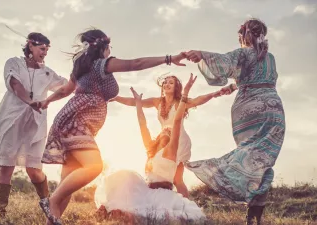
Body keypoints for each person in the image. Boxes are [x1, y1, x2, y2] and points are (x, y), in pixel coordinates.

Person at [37, 28, 187, 224]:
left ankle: (52, 216)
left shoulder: (82, 66)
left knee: (68, 183)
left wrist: (48, 101)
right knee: (94, 166)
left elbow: (66, 90)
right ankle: (51, 201)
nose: (110, 50)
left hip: (72, 120)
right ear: (104, 47)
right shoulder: (102, 64)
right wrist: (169, 58)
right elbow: (136, 64)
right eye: (109, 47)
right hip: (77, 121)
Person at [183, 18, 286, 225]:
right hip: (273, 109)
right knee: (264, 161)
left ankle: (216, 171)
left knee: (247, 155)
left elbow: (224, 64)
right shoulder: (270, 57)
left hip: (248, 109)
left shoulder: (243, 53)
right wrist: (233, 87)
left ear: (243, 36)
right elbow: (258, 79)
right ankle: (255, 216)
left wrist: (201, 54)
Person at [94, 74, 205, 221]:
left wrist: (186, 92)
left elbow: (177, 120)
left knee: (159, 211)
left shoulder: (171, 152)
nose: (166, 129)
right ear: (158, 136)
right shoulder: (151, 150)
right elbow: (142, 123)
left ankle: (122, 214)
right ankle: (111, 211)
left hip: (163, 195)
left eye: (169, 131)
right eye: (165, 129)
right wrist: (138, 103)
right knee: (124, 177)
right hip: (147, 192)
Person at [0, 32, 68, 216]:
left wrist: (83, 75)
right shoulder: (14, 63)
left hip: (35, 126)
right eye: (42, 48)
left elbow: (68, 87)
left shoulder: (48, 73)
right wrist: (29, 102)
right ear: (30, 45)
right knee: (6, 165)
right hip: (11, 121)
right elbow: (14, 84)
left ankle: (49, 206)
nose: (45, 53)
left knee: (34, 170)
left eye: (47, 50)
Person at [112, 75, 223, 198]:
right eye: (165, 82)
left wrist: (215, 94)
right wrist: (116, 98)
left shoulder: (180, 102)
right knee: (155, 168)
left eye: (171, 83)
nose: (167, 84)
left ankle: (186, 205)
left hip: (179, 140)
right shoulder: (157, 101)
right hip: (164, 139)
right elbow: (136, 102)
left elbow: (198, 100)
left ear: (176, 87)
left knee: (177, 179)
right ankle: (159, 195)